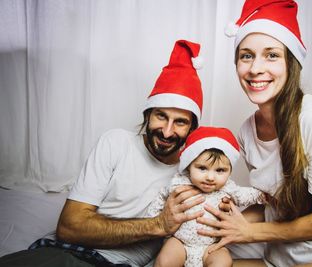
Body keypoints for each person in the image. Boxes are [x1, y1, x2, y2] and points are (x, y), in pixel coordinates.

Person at [196, 1, 312, 267]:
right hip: (279, 255)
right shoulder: (247, 131)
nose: (256, 68)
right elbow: (272, 205)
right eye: (246, 56)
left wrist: (250, 233)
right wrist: (214, 227)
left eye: (271, 55)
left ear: (291, 63)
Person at [0, 39, 206, 267]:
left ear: (192, 128)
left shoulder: (196, 173)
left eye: (180, 122)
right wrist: (158, 225)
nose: (167, 132)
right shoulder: (115, 143)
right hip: (65, 254)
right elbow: (69, 227)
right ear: (148, 114)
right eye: (161, 116)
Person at [145, 126, 266, 267]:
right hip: (180, 241)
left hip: (212, 245)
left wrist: (264, 195)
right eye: (202, 168)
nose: (210, 177)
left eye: (220, 170)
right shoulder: (180, 183)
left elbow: (245, 195)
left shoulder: (228, 188)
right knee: (164, 261)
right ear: (189, 166)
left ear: (230, 171)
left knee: (224, 262)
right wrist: (152, 219)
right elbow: (162, 196)